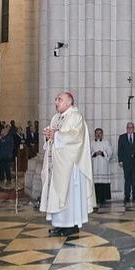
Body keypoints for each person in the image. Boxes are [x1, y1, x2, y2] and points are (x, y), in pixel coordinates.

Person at [39, 92, 96, 237]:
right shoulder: (56, 118)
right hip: (57, 166)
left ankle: (71, 225)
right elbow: (53, 139)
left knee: (69, 195)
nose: (56, 102)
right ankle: (60, 225)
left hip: (70, 167)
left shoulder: (76, 117)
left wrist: (56, 136)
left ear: (69, 102)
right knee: (56, 193)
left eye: (60, 99)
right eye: (56, 99)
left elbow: (76, 137)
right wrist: (49, 136)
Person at [118, 122, 135, 203]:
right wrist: (120, 160)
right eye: (129, 127)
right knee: (127, 179)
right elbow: (120, 150)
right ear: (126, 128)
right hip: (126, 162)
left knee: (134, 178)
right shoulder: (122, 137)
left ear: (133, 128)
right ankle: (127, 196)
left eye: (132, 127)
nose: (130, 129)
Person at [91, 128, 113, 205]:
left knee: (103, 183)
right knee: (96, 183)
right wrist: (94, 153)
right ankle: (96, 198)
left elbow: (110, 153)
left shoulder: (106, 143)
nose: (98, 134)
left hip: (103, 166)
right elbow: (88, 154)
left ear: (102, 134)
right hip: (95, 165)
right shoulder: (91, 143)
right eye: (97, 133)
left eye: (100, 133)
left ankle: (103, 198)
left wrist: (102, 153)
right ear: (95, 134)